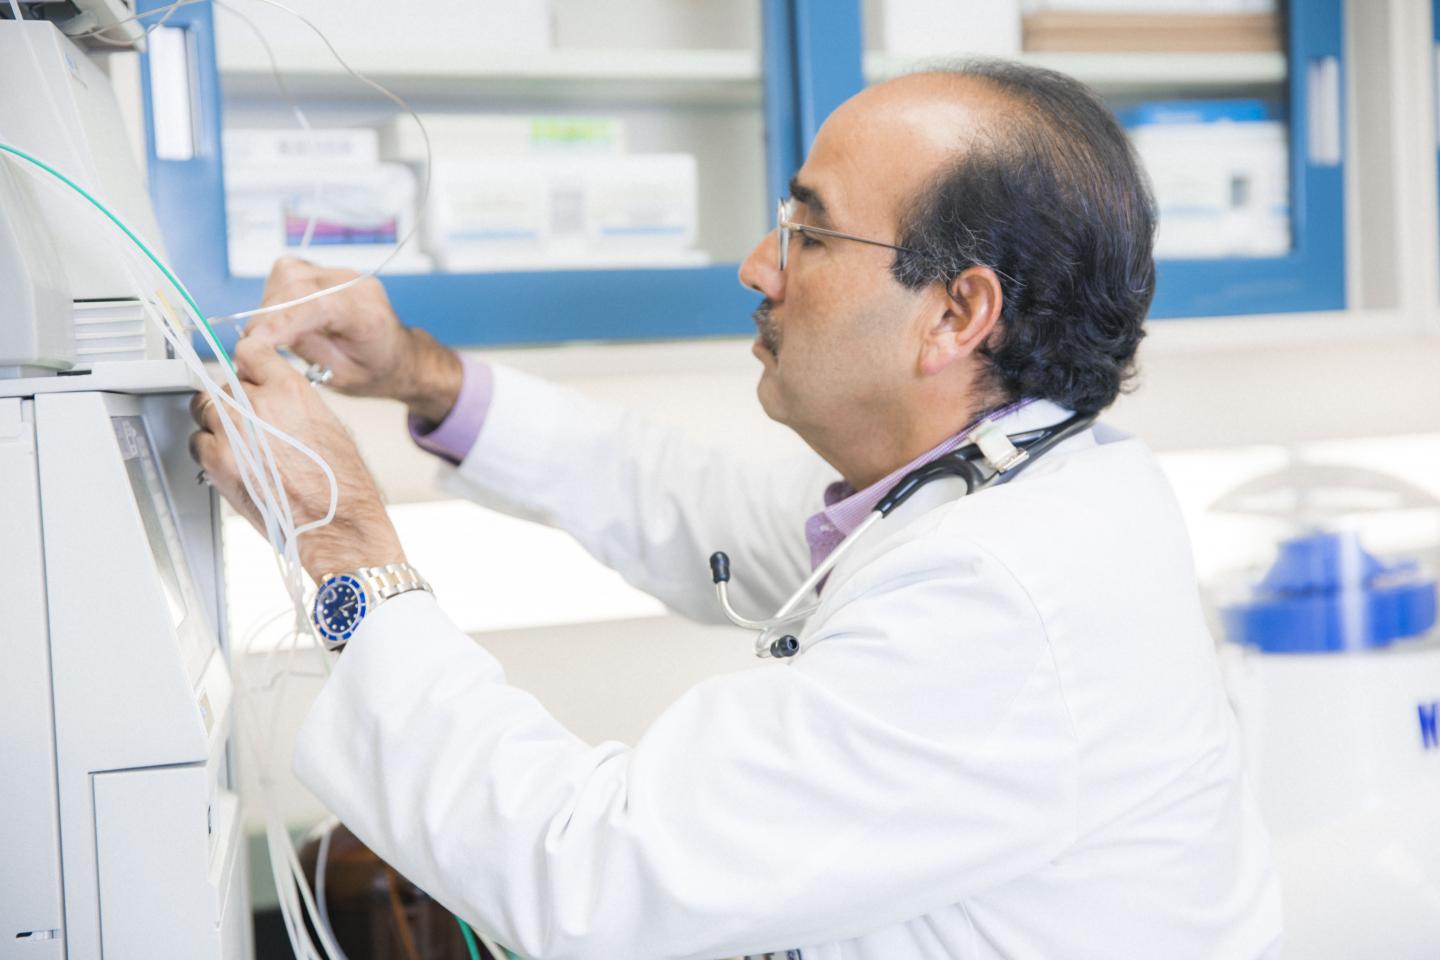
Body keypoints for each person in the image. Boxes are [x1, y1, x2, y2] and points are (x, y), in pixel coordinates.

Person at [190, 62, 1281, 959]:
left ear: (956, 312)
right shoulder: (1013, 479)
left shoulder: (1005, 595)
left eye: (810, 234)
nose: (759, 266)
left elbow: (597, 874)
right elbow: (688, 497)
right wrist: (423, 375)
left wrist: (341, 540)